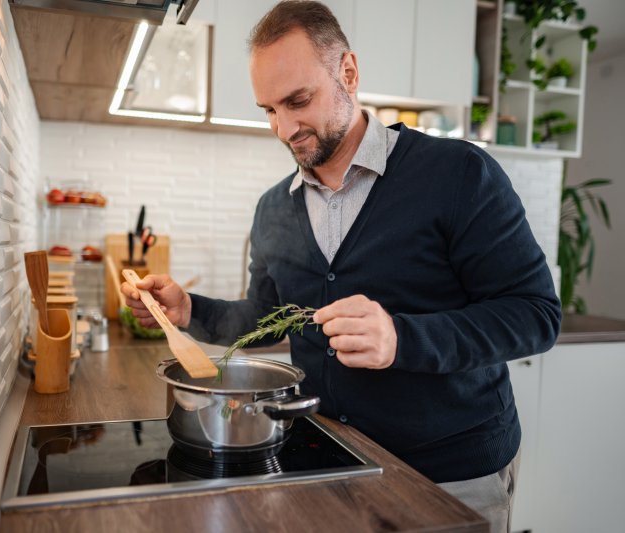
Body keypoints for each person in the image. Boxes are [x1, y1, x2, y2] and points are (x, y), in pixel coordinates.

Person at [121, 2, 561, 531]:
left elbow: (535, 315)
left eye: (298, 101)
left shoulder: (459, 174)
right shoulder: (274, 208)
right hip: (326, 461)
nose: (284, 128)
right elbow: (267, 316)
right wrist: (188, 308)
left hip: (451, 475)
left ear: (348, 72)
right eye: (268, 110)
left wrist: (401, 338)